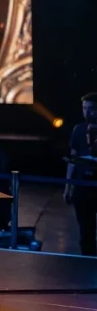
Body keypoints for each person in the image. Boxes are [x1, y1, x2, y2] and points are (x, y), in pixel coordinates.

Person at [66, 93, 97, 256]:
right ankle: (87, 259)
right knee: (86, 230)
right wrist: (68, 187)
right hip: (82, 187)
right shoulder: (78, 129)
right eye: (84, 109)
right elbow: (73, 159)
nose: (87, 113)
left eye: (91, 109)